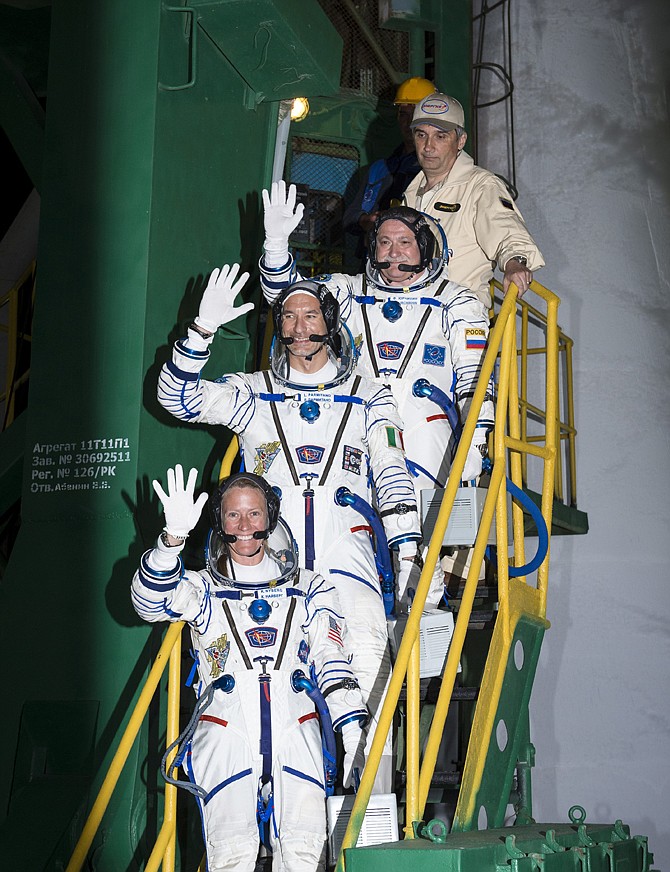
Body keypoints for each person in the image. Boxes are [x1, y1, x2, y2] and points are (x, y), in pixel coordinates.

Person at [157, 264, 422, 791]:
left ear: (332, 321)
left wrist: (409, 557)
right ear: (278, 328)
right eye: (289, 317)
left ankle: (370, 828)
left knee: (368, 692)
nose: (300, 327)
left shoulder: (371, 393)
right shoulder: (251, 393)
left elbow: (393, 476)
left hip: (351, 572)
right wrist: (201, 331)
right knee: (283, 719)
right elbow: (177, 398)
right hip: (275, 582)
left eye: (311, 314)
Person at [260, 189, 494, 607]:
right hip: (358, 430)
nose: (393, 252)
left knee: (415, 544)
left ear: (425, 248)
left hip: (426, 437)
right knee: (359, 539)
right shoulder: (348, 293)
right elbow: (291, 304)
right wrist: (277, 247)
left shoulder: (457, 301)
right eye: (384, 242)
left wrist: (475, 442)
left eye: (404, 242)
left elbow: (475, 377)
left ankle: (424, 643)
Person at [132, 467, 367, 872]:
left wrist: (350, 727)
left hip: (296, 727)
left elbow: (331, 656)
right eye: (233, 515)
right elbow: (149, 603)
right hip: (227, 731)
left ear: (270, 519)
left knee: (305, 851)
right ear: (220, 524)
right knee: (231, 854)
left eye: (254, 514)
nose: (244, 526)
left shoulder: (310, 587)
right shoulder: (203, 587)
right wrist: (170, 543)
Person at [403, 91, 545, 306]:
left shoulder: (480, 186)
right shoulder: (412, 192)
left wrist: (515, 263)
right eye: (421, 135)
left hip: (458, 318)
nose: (428, 146)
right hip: (412, 312)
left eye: (440, 136)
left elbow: (506, 229)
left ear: (460, 140)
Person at [343, 76, 436, 240]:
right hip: (374, 260)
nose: (408, 122)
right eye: (403, 114)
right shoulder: (380, 169)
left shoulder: (438, 169)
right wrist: (368, 220)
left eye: (415, 114)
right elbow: (350, 218)